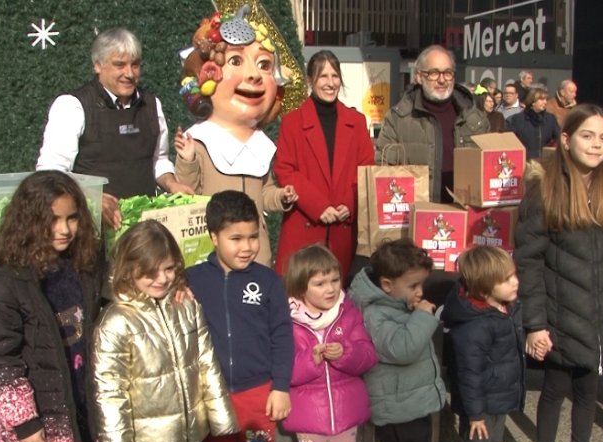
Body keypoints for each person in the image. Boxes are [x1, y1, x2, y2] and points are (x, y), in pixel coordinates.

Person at [515, 105, 603, 442]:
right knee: (554, 390)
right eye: (588, 136)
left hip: (600, 314)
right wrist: (535, 323)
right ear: (567, 140)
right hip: (558, 314)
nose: (597, 145)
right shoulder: (545, 191)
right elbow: (529, 262)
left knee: (589, 390)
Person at [0, 170, 104, 442]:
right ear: (29, 221)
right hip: (47, 421)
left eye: (72, 218)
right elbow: (1, 362)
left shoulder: (82, 264)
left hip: (86, 406)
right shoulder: (3, 281)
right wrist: (24, 422)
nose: (64, 229)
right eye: (52, 220)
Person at [91, 220, 238, 442]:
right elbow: (110, 394)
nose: (162, 279)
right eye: (150, 272)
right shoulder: (116, 321)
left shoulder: (187, 305)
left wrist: (222, 419)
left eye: (169, 269)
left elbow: (206, 363)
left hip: (189, 439)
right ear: (129, 268)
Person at [175, 10, 298, 267]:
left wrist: (281, 196)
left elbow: (263, 192)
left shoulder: (261, 145)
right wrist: (187, 161)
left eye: (264, 65)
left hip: (257, 252)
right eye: (235, 61)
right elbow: (188, 195)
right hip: (213, 257)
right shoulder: (200, 139)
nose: (253, 75)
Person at [36, 28, 192, 230]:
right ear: (98, 65)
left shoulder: (152, 104)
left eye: (135, 65)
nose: (129, 73)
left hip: (142, 230)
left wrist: (172, 185)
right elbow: (51, 172)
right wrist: (91, 196)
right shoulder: (72, 106)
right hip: (91, 228)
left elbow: (158, 161)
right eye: (119, 65)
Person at [185, 190, 294, 442]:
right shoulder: (192, 281)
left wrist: (281, 387)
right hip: (212, 395)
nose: (247, 247)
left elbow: (283, 337)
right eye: (236, 239)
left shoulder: (268, 281)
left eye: (253, 237)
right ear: (213, 237)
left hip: (258, 395)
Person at [273, 50, 375, 281]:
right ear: (310, 81)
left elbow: (367, 169)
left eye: (335, 76)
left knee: (338, 294)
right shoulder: (292, 122)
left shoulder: (357, 122)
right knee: (300, 293)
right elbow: (285, 169)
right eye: (323, 77)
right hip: (305, 225)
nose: (330, 83)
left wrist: (350, 203)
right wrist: (318, 206)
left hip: (343, 227)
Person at [348, 238, 446, 442]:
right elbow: (402, 349)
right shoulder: (374, 313)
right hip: (398, 412)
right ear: (387, 285)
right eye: (413, 286)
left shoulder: (395, 305)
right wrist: (423, 317)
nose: (420, 292)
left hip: (410, 405)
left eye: (422, 284)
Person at [281, 244, 377, 442]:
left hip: (346, 410)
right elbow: (284, 370)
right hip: (308, 413)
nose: (330, 289)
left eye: (335, 280)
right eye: (320, 283)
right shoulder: (288, 322)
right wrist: (310, 360)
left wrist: (345, 353)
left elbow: (368, 356)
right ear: (300, 287)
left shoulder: (348, 312)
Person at [440, 246, 524, 442]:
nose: (515, 282)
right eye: (507, 279)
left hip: (498, 397)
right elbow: (469, 375)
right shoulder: (474, 327)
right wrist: (475, 415)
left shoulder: (506, 307)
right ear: (485, 286)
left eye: (514, 275)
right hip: (479, 404)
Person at [376, 44, 489, 203]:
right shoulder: (398, 119)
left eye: (447, 73)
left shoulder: (474, 118)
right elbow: (383, 169)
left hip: (464, 216)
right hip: (418, 217)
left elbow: (489, 168)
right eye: (434, 73)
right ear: (419, 77)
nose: (442, 80)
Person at [506, 87, 561, 160]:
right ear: (533, 101)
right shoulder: (518, 119)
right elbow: (509, 141)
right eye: (541, 99)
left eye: (545, 99)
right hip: (524, 161)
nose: (545, 102)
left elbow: (559, 137)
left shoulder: (550, 119)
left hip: (544, 162)